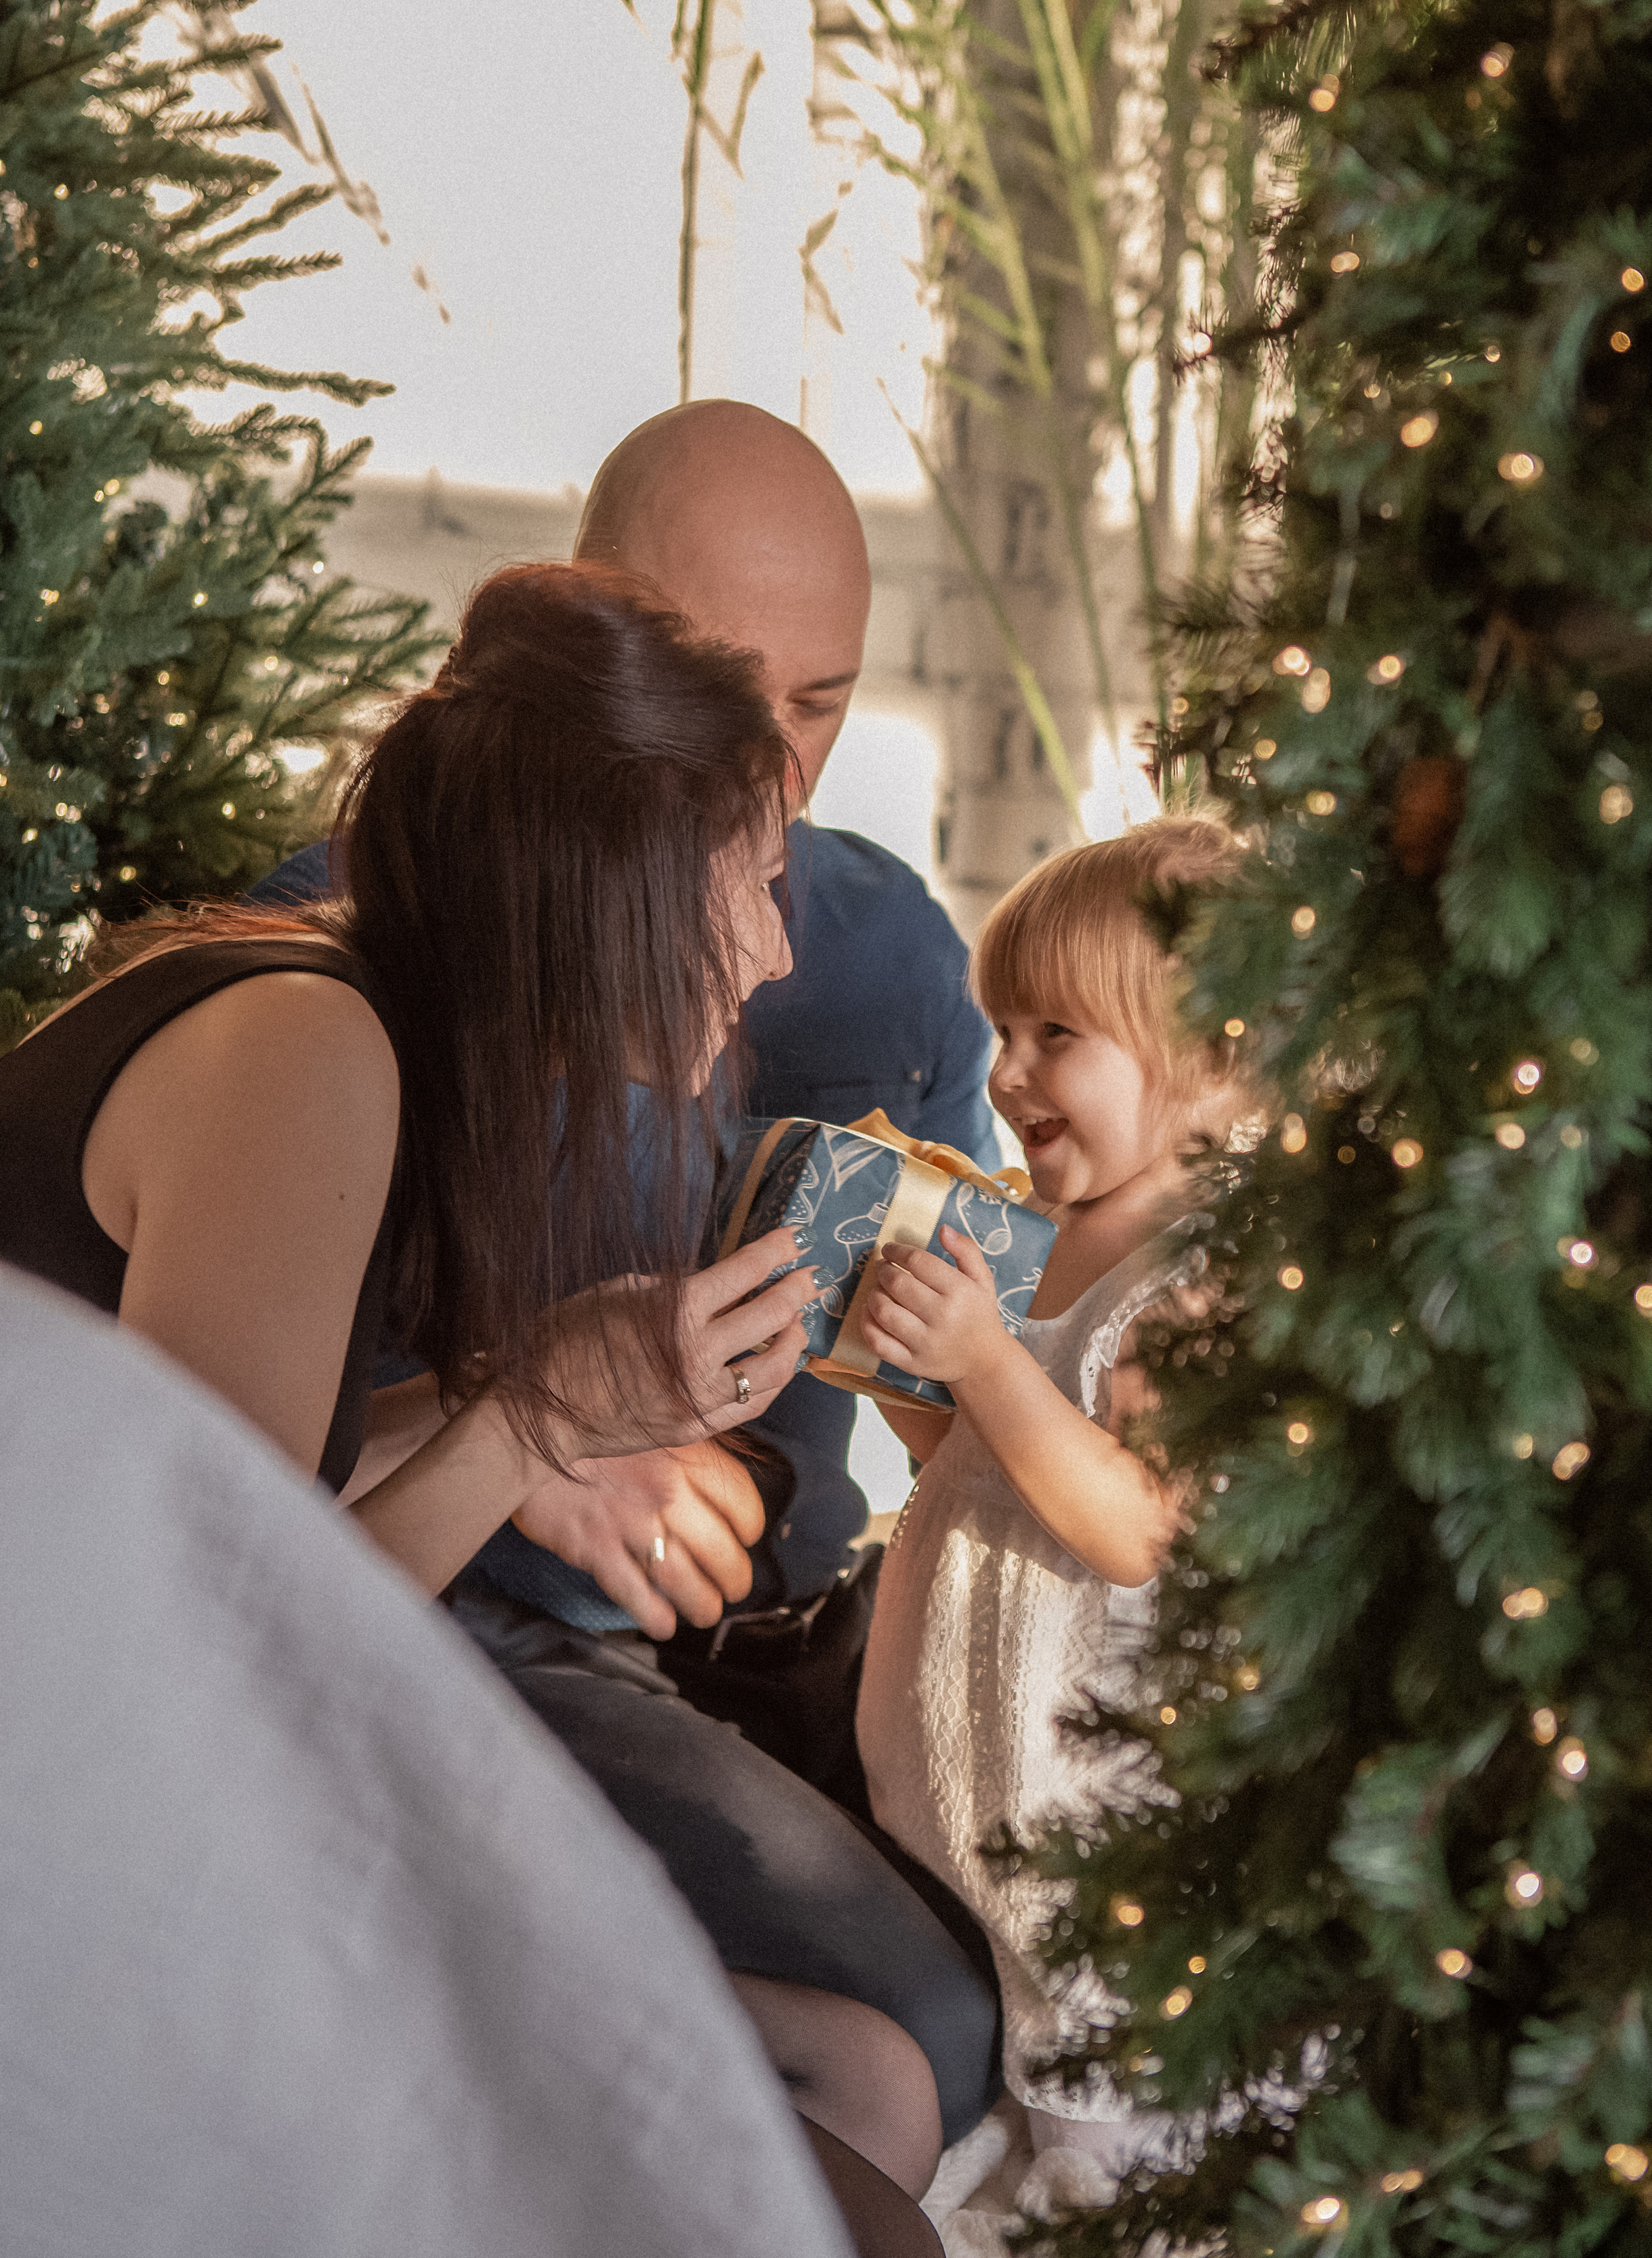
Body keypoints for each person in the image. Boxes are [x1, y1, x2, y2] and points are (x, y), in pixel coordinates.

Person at [0, 561, 956, 2211]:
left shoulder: (335, 1016)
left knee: (866, 2067)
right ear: (614, 890)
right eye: (751, 880)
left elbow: (224, 1468)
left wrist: (536, 1383)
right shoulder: (304, 1054)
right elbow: (218, 1678)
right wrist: (527, 1426)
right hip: (80, 1863)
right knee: (833, 2175)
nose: (774, 951)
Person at [257, 403, 1006, 2183]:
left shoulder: (886, 957)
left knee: (996, 2004)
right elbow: (245, 1495)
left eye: (824, 703)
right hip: (463, 1633)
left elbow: (932, 1380)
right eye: (727, 693)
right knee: (908, 2039)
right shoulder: (334, 973)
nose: (784, 768)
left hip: (788, 1629)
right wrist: (538, 1436)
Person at [0, 1260, 857, 2258]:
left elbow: (274, 1479)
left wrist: (509, 1400)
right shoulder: (294, 1106)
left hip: (271, 1716)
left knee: (887, 2071)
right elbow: (241, 1627)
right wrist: (536, 1418)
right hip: (196, 1812)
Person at [855, 820, 1258, 2181]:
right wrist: (896, 1368)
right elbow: (977, 1465)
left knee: (1106, 2125)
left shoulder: (1198, 1265)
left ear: (1204, 1055)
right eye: (999, 1029)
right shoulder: (1033, 1234)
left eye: (1053, 1034)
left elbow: (1136, 1526)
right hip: (981, 1808)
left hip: (1099, 1809)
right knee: (1016, 2110)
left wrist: (977, 1357)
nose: (1006, 1069)